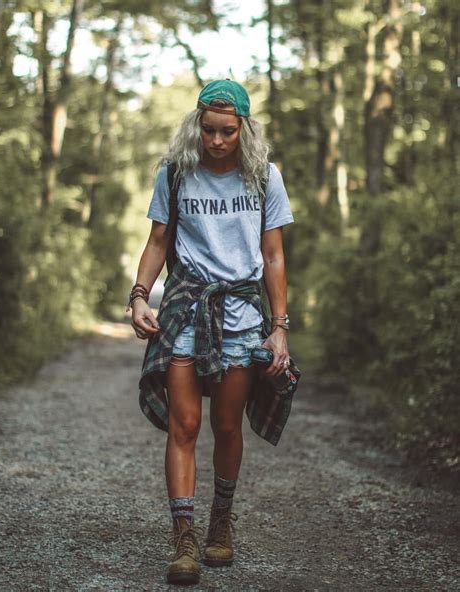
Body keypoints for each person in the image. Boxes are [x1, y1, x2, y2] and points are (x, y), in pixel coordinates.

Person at [128, 79, 295, 586]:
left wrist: (280, 327)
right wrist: (138, 295)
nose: (217, 140)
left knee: (226, 426)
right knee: (184, 427)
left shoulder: (264, 177)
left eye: (227, 131)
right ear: (196, 125)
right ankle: (184, 535)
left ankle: (221, 521)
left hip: (242, 315)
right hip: (184, 310)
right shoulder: (176, 173)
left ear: (243, 128)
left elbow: (272, 255)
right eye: (208, 130)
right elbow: (158, 241)